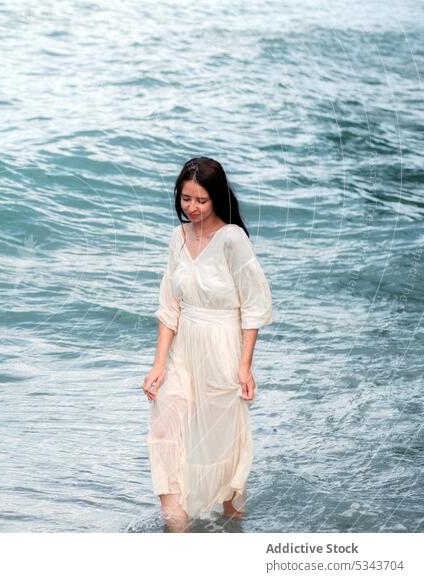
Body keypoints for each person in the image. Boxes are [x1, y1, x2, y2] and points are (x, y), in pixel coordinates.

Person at [143, 157, 273, 533]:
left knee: (220, 448)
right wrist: (158, 364)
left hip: (222, 352)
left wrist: (245, 366)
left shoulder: (233, 239)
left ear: (216, 197)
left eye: (201, 200)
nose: (192, 208)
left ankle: (234, 529)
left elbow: (254, 307)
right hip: (184, 351)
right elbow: (170, 308)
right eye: (185, 199)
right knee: (164, 429)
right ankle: (177, 530)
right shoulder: (177, 239)